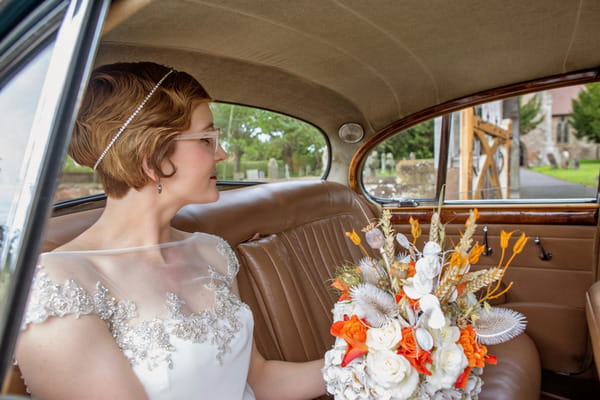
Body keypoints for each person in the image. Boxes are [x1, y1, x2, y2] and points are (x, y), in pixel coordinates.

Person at [15, 62, 326, 400]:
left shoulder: (213, 252)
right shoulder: (57, 287)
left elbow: (260, 381)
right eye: (207, 139)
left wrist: (367, 363)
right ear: (152, 158)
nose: (221, 154)